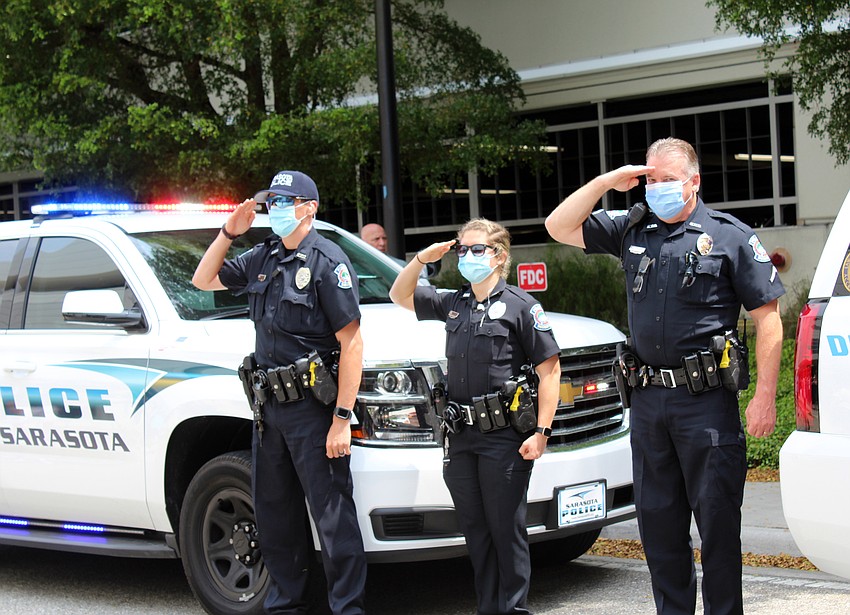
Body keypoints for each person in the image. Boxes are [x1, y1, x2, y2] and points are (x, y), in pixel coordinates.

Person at [545, 137, 784, 615]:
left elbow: (769, 319)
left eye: (667, 179)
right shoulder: (634, 228)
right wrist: (609, 182)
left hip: (706, 405)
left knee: (717, 528)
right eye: (650, 179)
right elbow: (558, 225)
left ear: (693, 182)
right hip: (649, 404)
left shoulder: (729, 235)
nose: (656, 187)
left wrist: (764, 397)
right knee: (658, 526)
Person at [192, 170, 367, 615]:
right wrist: (229, 231)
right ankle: (285, 605)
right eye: (272, 201)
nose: (276, 209)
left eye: (286, 201)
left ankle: (348, 608)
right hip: (269, 411)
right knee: (275, 518)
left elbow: (352, 343)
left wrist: (342, 418)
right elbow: (203, 279)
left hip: (313, 411)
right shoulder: (262, 256)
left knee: (332, 520)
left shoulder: (328, 261)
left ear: (310, 208)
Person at [389, 218, 561, 615]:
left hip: (504, 437)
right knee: (477, 533)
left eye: (476, 249)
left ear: (499, 255)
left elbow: (549, 371)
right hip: (462, 437)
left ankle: (514, 609)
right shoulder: (455, 303)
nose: (466, 256)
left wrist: (542, 432)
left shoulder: (521, 306)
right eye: (462, 249)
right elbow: (399, 294)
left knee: (506, 530)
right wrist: (420, 259)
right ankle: (489, 608)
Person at [361, 222, 437, 280]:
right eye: (376, 239)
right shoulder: (355, 266)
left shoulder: (400, 266)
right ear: (363, 242)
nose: (382, 243)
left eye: (384, 238)